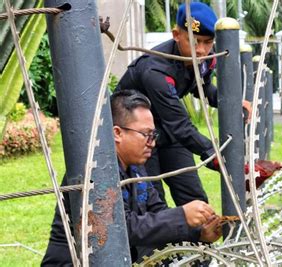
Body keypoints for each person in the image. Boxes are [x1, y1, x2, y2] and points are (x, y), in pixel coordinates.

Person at [41, 90, 222, 265]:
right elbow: (117, 228)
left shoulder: (136, 167)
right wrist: (181, 216)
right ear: (117, 133)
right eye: (146, 135)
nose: (152, 142)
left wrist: (198, 234)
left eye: (153, 135)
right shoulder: (95, 169)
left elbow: (156, 211)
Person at [116, 2, 251, 207]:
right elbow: (180, 125)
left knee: (194, 198)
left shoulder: (203, 59)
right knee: (151, 205)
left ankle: (198, 240)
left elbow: (202, 87)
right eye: (194, 41)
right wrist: (217, 157)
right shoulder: (156, 71)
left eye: (208, 42)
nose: (201, 50)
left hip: (169, 133)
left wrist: (230, 103)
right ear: (176, 35)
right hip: (137, 136)